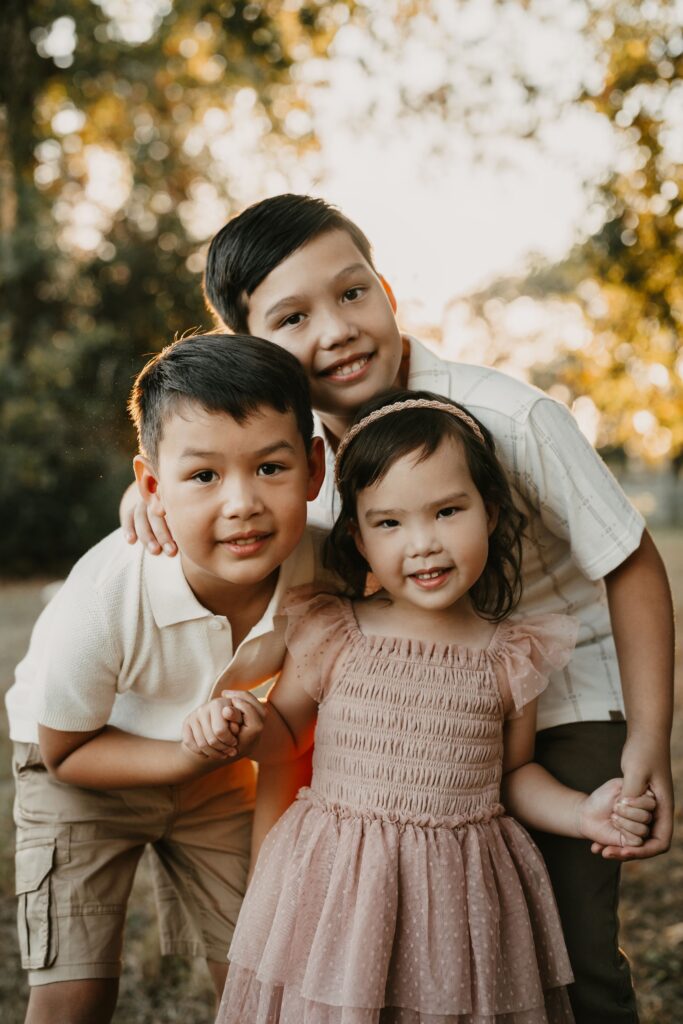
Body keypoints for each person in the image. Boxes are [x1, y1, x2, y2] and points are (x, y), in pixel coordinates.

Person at [123, 194, 675, 1023]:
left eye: (351, 294)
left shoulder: (512, 418)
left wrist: (646, 743)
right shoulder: (290, 457)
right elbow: (207, 486)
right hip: (388, 725)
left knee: (568, 949)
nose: (337, 328)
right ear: (252, 345)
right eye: (294, 315)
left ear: (386, 290)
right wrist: (157, 502)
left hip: (558, 704)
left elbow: (629, 563)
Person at [206, 392, 656, 1023]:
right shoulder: (335, 631)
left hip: (459, 894)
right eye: (390, 523)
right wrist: (244, 723)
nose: (423, 544)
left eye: (447, 511)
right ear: (359, 540)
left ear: (491, 512)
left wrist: (585, 813)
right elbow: (283, 732)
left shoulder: (510, 654)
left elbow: (515, 776)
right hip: (342, 885)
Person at [5, 333, 332, 1024]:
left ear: (313, 468)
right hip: (83, 765)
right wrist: (186, 753)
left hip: (215, 765)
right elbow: (65, 752)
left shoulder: (328, 565)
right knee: (73, 992)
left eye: (270, 468)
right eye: (204, 476)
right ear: (152, 486)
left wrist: (217, 749)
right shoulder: (105, 601)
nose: (241, 502)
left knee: (259, 965)